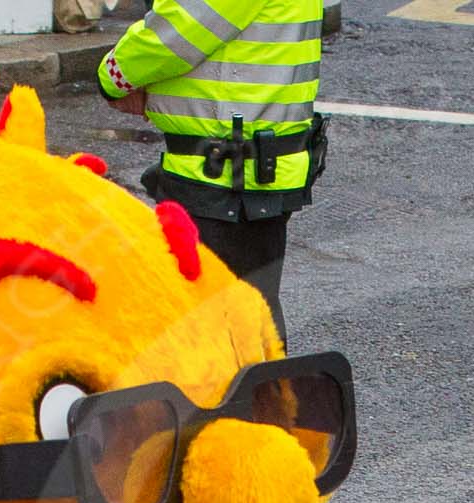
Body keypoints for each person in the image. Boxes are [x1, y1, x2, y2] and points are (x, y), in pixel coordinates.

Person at [98, 0, 329, 341]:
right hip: (245, 169)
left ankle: (252, 394)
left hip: (226, 177)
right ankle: (264, 393)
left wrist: (111, 76)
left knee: (224, 333)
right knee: (247, 322)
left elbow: (174, 33)